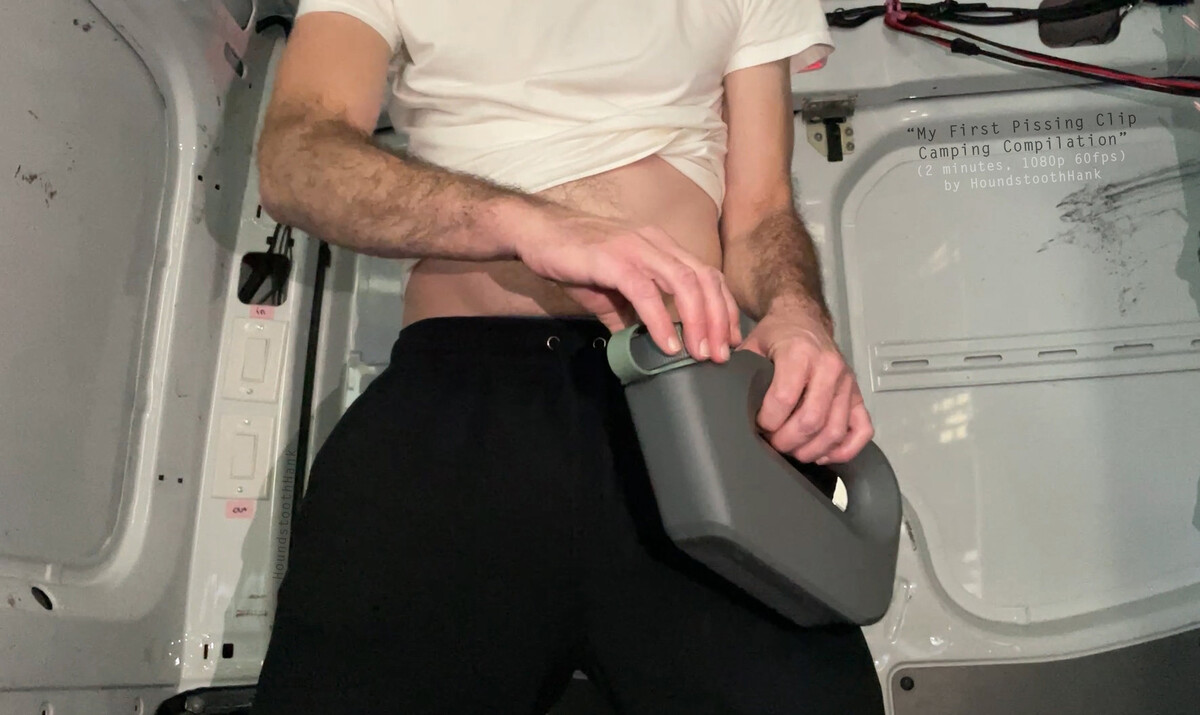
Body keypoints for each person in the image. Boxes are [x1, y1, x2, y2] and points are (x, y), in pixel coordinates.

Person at [250, 1, 883, 713]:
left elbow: (762, 208)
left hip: (685, 398)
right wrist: (531, 224)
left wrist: (799, 314)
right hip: (459, 396)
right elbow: (297, 156)